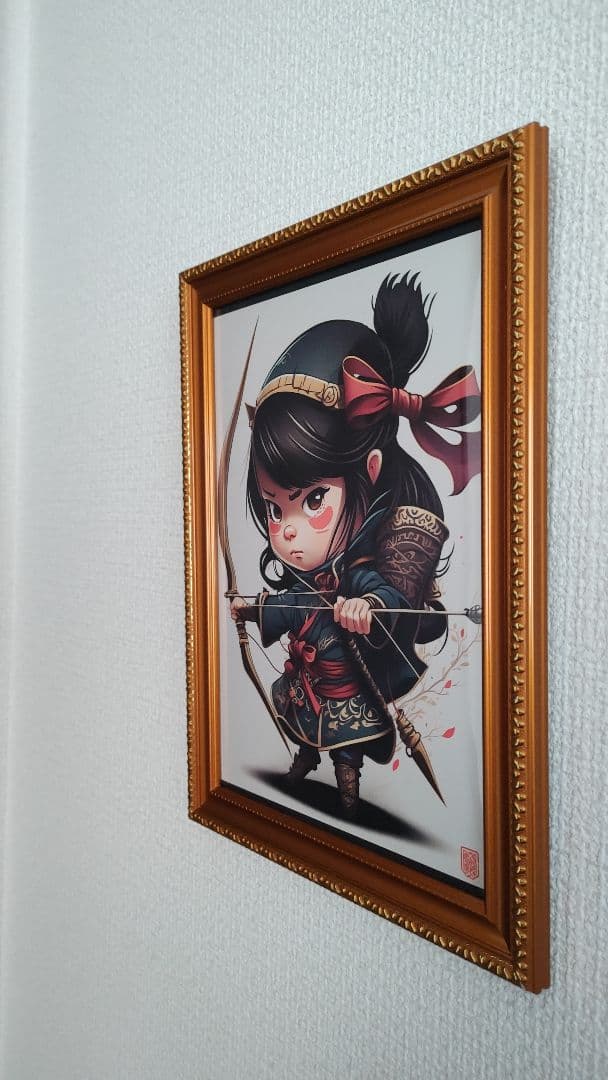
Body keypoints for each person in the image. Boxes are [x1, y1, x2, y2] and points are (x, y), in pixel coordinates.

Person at [230, 272, 480, 819]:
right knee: (306, 729)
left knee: (345, 746)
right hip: (310, 682)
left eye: (312, 499)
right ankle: (304, 761)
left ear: (369, 471)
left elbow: (386, 597)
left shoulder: (363, 567)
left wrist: (367, 607)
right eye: (274, 508)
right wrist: (250, 610)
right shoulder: (307, 580)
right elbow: (289, 605)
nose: (287, 529)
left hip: (348, 689)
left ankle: (347, 789)